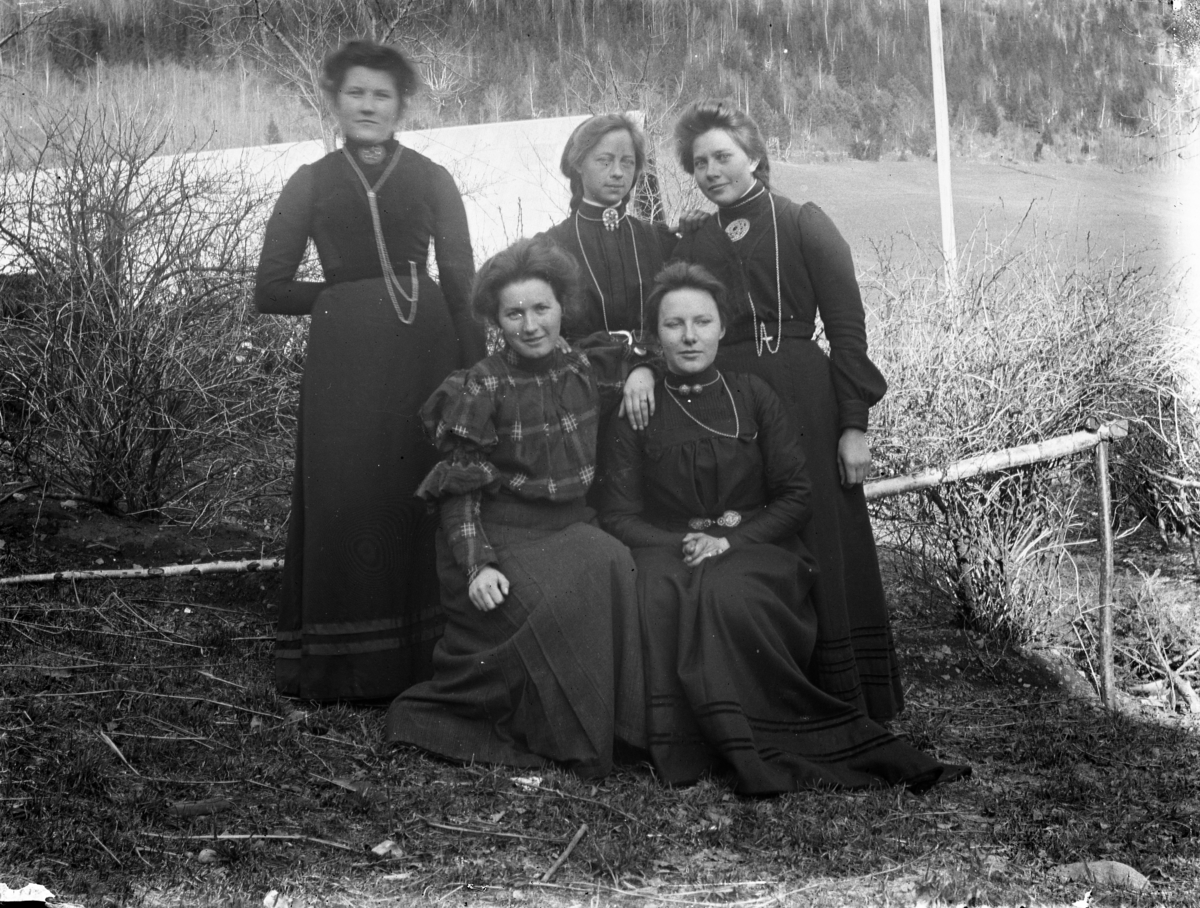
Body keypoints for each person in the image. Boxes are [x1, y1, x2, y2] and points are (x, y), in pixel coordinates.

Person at [599, 264, 966, 793]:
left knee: (729, 592)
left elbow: (796, 497)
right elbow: (617, 514)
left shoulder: (753, 394)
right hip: (669, 545)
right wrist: (684, 542)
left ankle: (759, 735)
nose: (689, 336)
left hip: (756, 545)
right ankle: (686, 742)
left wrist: (728, 540)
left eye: (702, 321)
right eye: (673, 324)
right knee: (657, 590)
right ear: (655, 335)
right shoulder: (641, 404)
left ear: (723, 327)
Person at [255, 41, 486, 702]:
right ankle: (342, 664)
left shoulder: (433, 178)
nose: (368, 105)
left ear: (400, 105)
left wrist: (474, 371)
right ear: (336, 100)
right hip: (345, 360)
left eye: (381, 95)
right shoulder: (312, 180)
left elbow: (462, 278)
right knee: (347, 495)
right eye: (356, 93)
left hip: (426, 351)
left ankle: (423, 659)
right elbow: (269, 288)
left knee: (415, 490)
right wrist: (341, 299)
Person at [386, 237, 653, 777]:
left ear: (562, 309)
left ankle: (618, 730)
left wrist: (643, 369)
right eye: (514, 313)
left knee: (615, 564)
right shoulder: (480, 386)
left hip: (570, 524)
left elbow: (639, 355)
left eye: (541, 309)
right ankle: (561, 736)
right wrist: (478, 563)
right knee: (558, 600)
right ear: (496, 319)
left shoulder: (581, 365)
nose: (530, 325)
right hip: (500, 531)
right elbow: (458, 490)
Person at [671, 100, 901, 723]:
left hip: (805, 391)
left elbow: (848, 330)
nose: (712, 171)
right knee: (745, 527)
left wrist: (854, 424)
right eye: (699, 163)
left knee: (819, 529)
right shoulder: (692, 238)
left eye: (723, 156)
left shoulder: (803, 222)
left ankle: (842, 692)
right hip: (730, 398)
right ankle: (764, 688)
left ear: (753, 155)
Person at [540, 114, 677, 342]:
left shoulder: (658, 241)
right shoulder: (549, 247)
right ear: (578, 164)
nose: (617, 172)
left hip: (652, 368)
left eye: (627, 162)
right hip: (579, 370)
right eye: (605, 161)